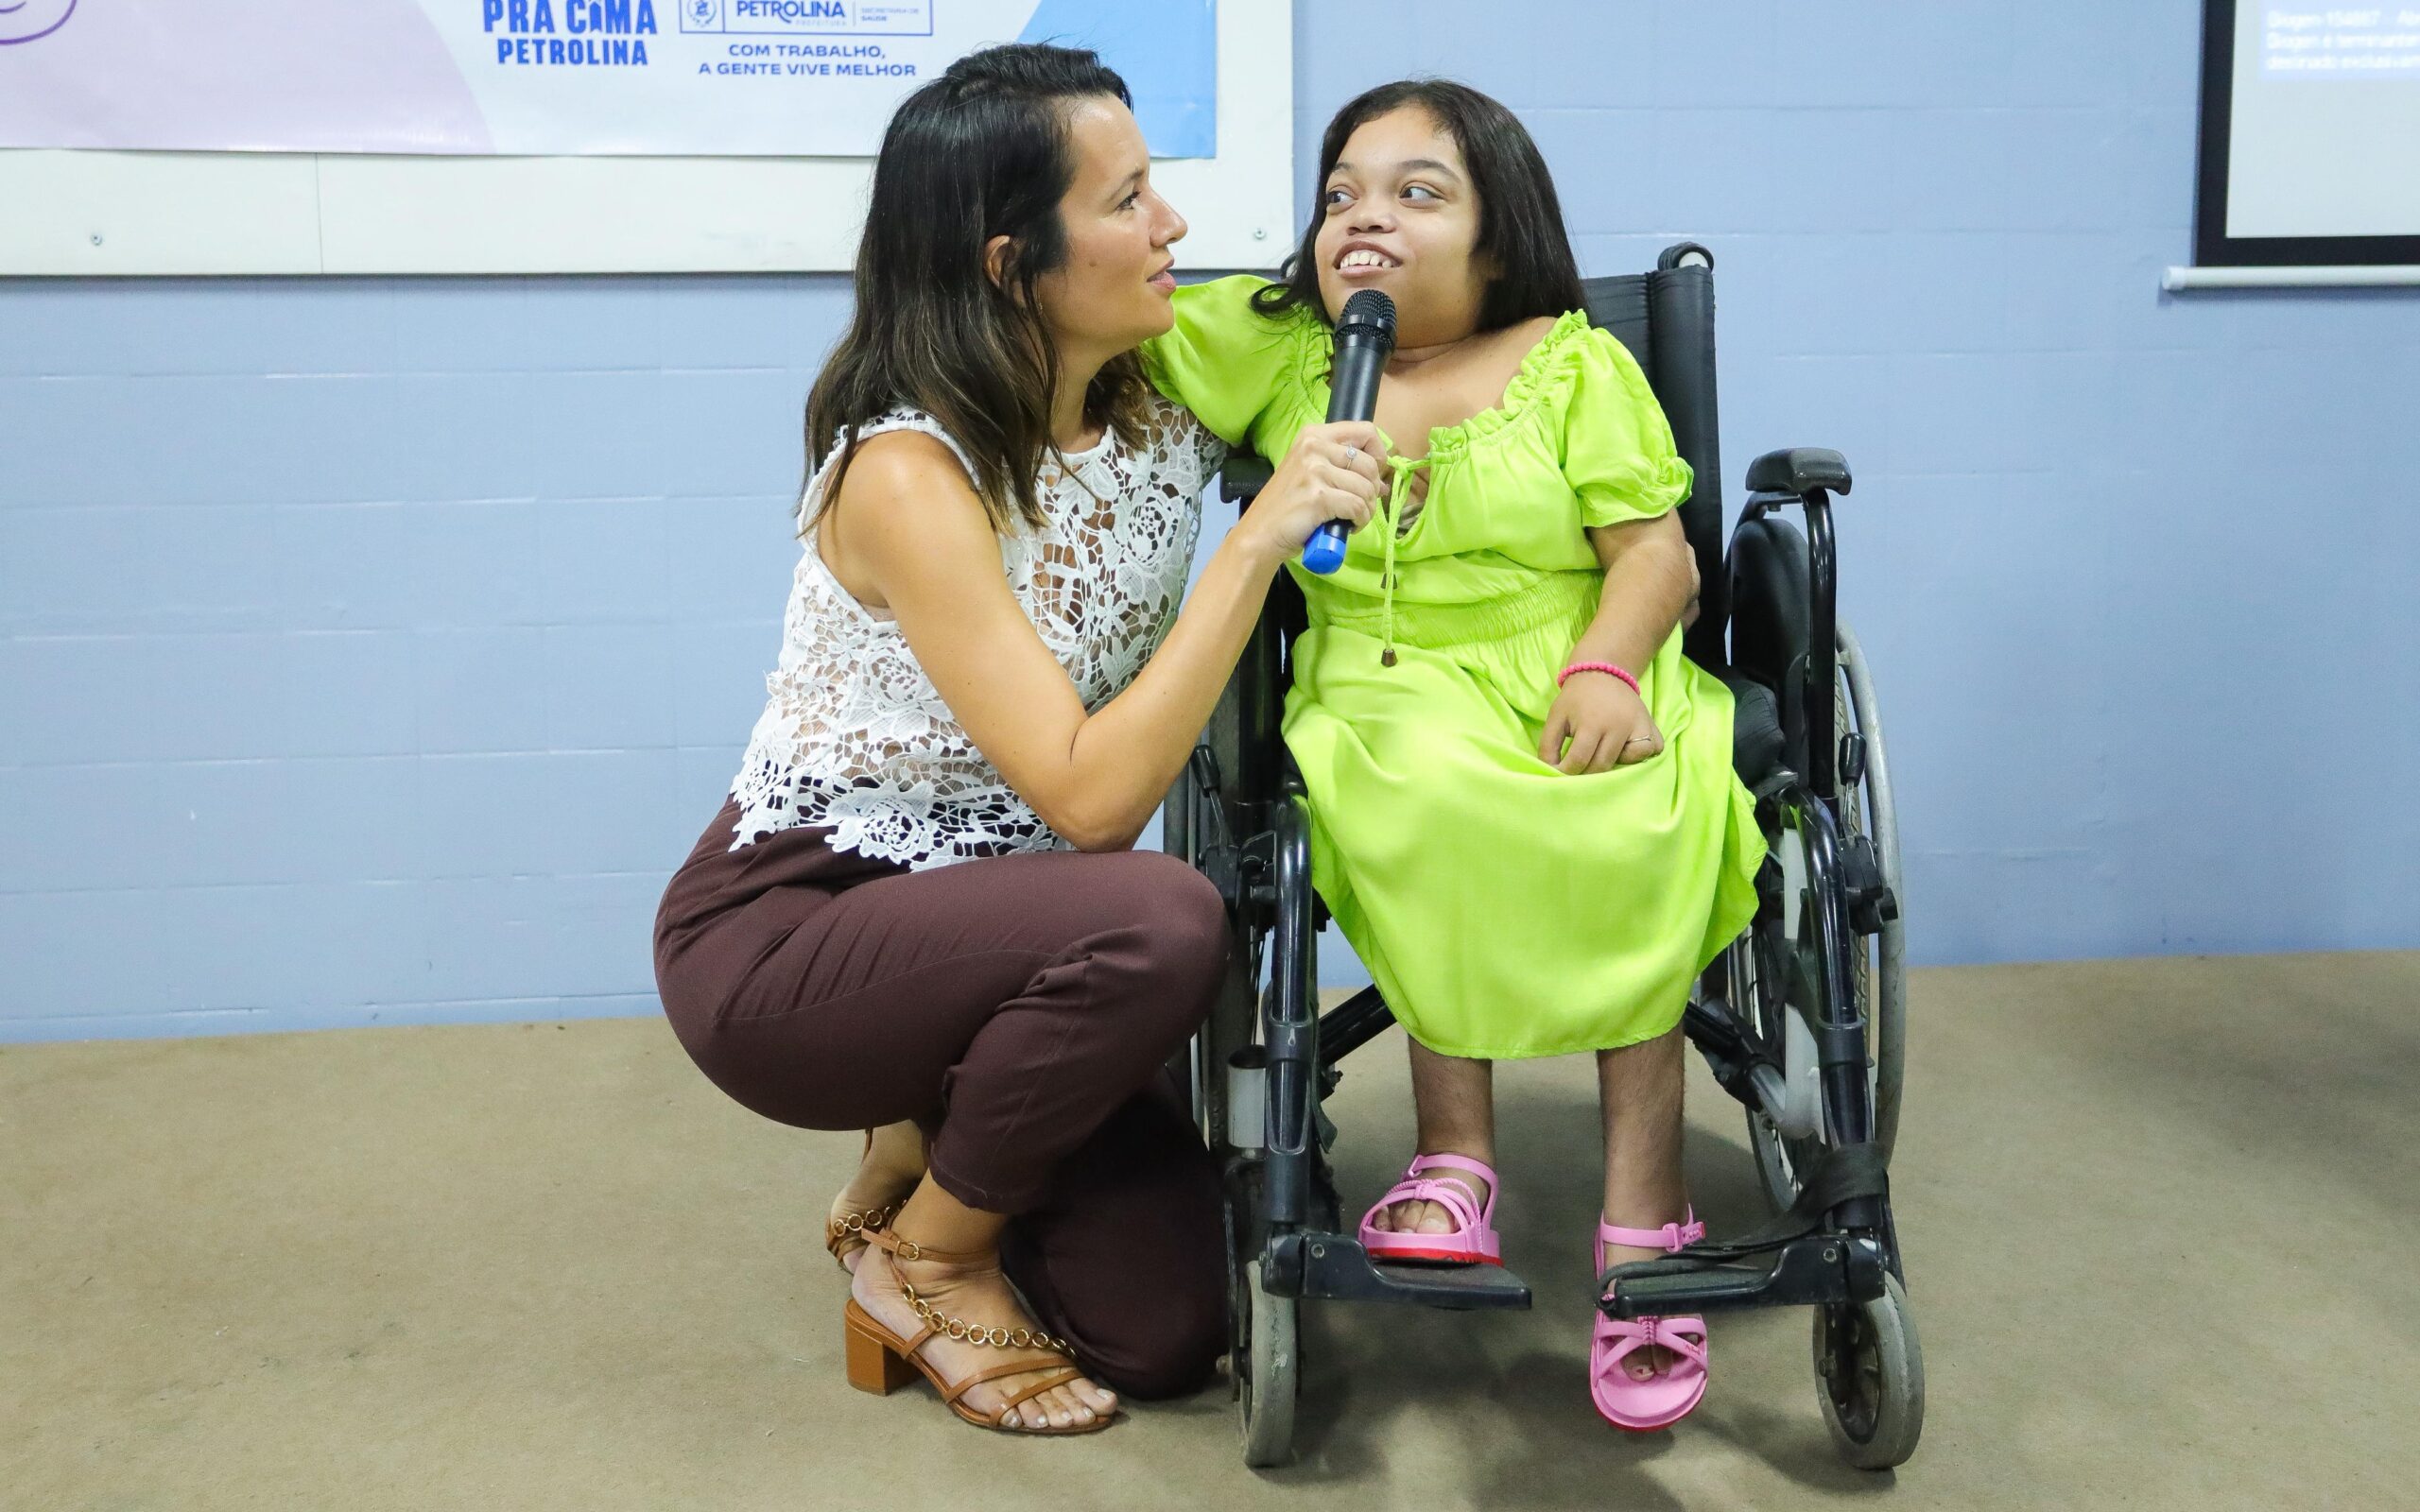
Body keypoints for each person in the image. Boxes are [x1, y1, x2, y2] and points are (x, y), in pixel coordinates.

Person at [651, 44, 1383, 1436]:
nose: (1173, 226)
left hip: (1015, 943)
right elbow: (1093, 803)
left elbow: (1376, 322)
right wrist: (1259, 541)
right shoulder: (908, 473)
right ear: (1010, 265)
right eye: (1127, 202)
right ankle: (928, 1256)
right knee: (1167, 918)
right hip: (800, 931)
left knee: (1170, 1330)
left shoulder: (1158, 400)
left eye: (1156, 187)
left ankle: (927, 1124)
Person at [1141, 79, 1764, 1432]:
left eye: (1417, 194)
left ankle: (1646, 1220)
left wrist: (1604, 665)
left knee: (1634, 817)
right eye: (1340, 195)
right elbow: (1111, 319)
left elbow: (1655, 556)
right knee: (1424, 795)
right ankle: (1454, 1161)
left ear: (1499, 236)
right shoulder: (1294, 354)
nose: (1364, 221)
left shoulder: (1570, 362)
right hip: (1383, 673)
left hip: (1570, 650)